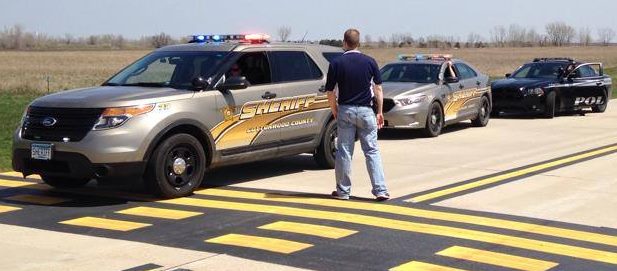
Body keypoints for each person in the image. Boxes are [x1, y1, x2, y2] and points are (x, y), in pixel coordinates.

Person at [325, 28, 390, 201]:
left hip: (345, 110)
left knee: (345, 151)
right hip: (366, 111)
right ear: (358, 43)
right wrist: (380, 112)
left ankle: (343, 191)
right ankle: (380, 190)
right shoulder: (370, 62)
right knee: (372, 151)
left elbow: (330, 92)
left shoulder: (336, 63)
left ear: (344, 43)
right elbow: (378, 88)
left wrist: (335, 110)